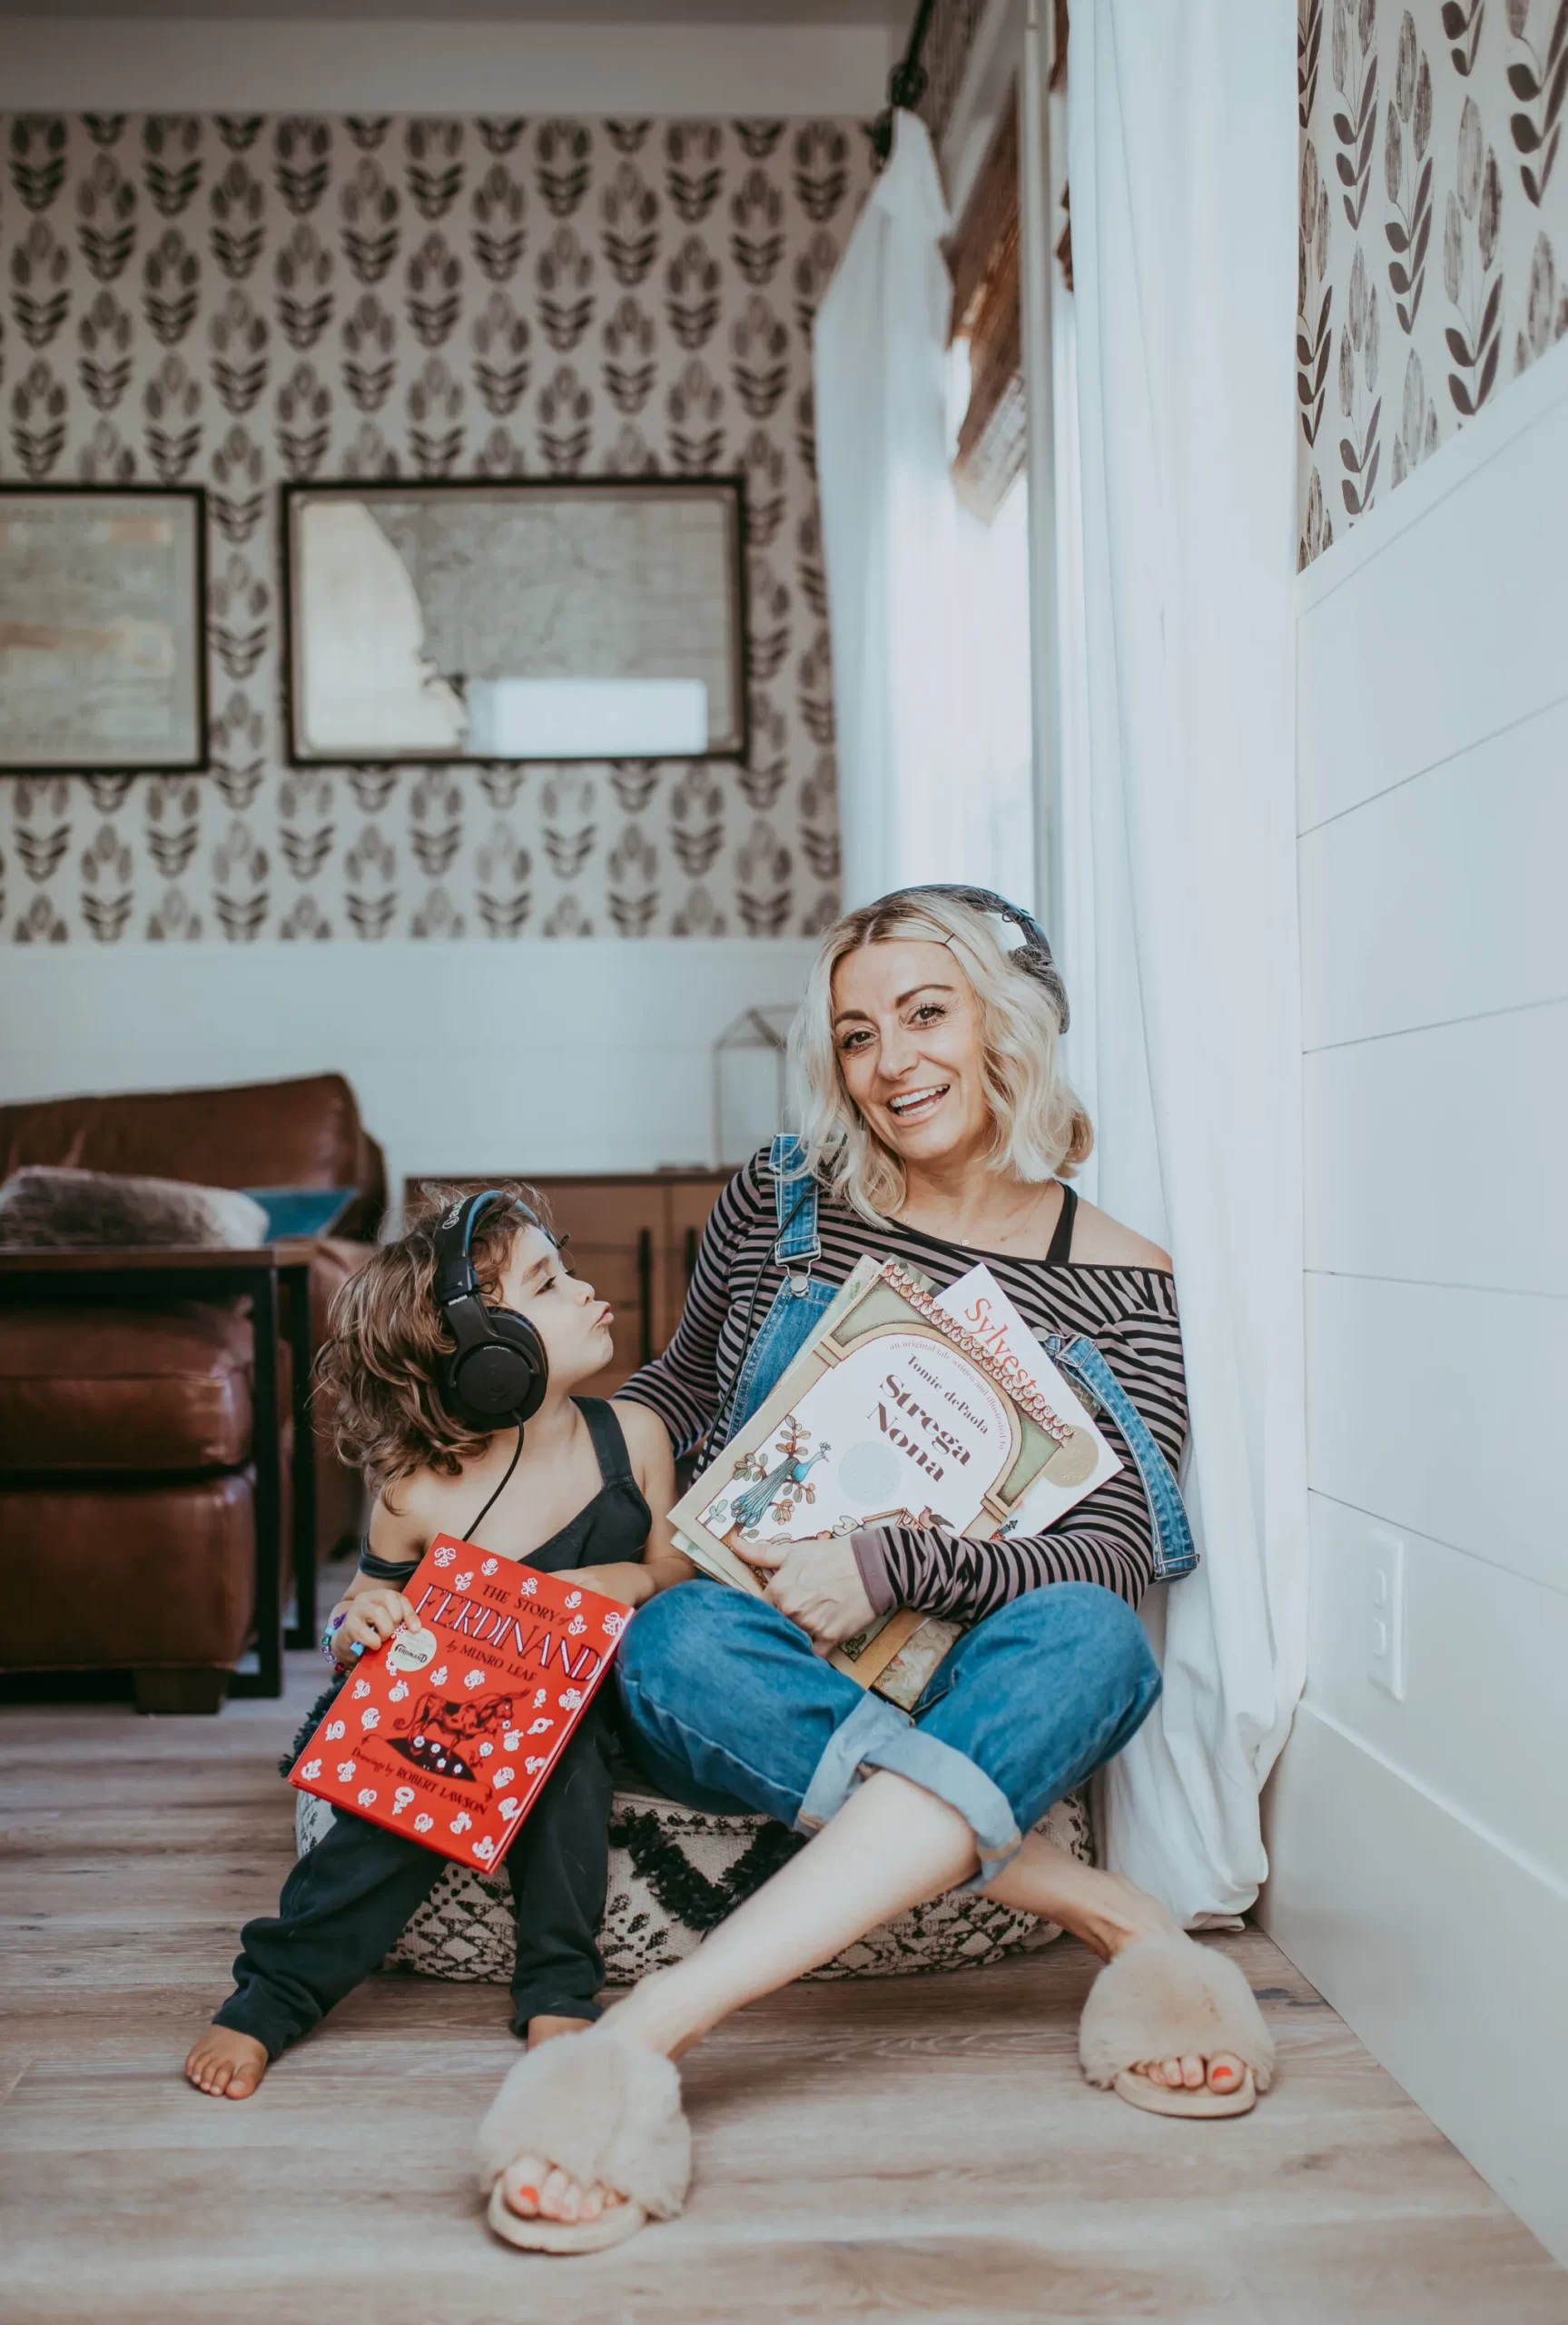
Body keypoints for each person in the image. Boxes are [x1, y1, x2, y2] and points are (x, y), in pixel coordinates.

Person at [472, 886, 1275, 2256]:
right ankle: (1092, 1902)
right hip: (768, 1653)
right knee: (669, 1647)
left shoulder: (1124, 1277)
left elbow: (1118, 1539)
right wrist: (493, 1526)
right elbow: (675, 1395)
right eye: (855, 1035)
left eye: (923, 1014)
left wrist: (889, 1558)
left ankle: (651, 2030)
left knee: (1097, 1635)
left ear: (1005, 1024)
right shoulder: (783, 1199)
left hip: (972, 1671)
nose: (890, 1063)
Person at [183, 1185, 693, 2103]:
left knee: (562, 1754)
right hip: (459, 1712)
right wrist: (359, 1626)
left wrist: (629, 1582)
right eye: (550, 1282)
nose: (585, 1288)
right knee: (409, 1784)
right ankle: (277, 1990)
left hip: (592, 1698)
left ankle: (555, 1986)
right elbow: (361, 1606)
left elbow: (678, 1574)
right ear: (486, 1359)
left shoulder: (637, 1439)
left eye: (564, 1265)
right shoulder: (420, 1490)